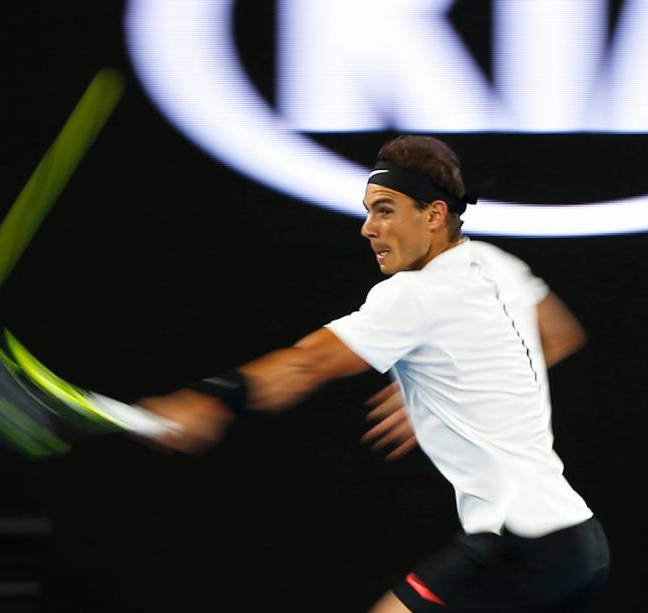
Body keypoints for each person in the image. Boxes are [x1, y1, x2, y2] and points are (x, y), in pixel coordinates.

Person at [139, 136, 609, 611]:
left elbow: (306, 364)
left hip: (523, 550)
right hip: (578, 545)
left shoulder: (413, 295)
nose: (368, 228)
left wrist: (212, 398)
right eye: (368, 211)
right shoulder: (492, 263)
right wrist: (459, 385)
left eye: (384, 210)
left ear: (433, 215)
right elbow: (558, 334)